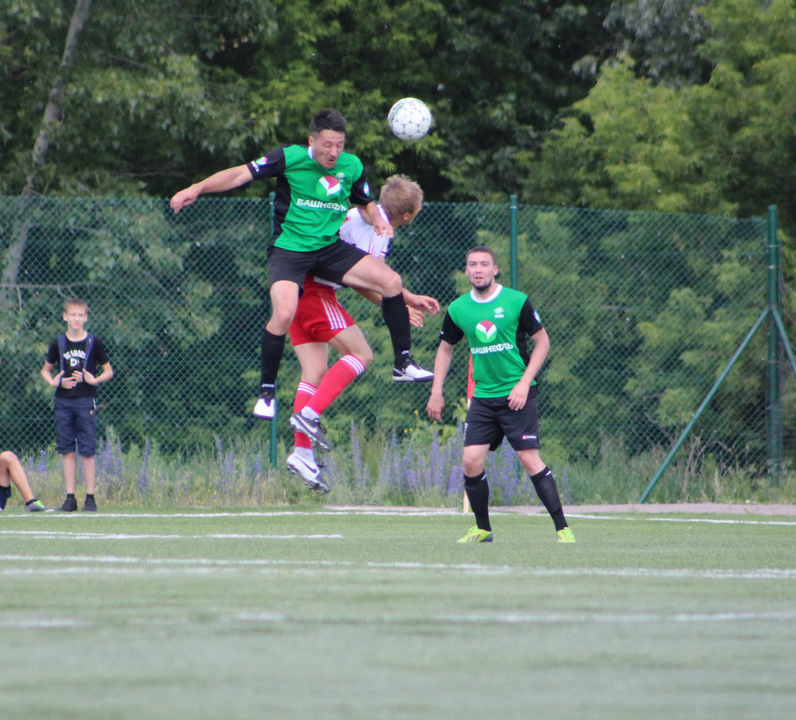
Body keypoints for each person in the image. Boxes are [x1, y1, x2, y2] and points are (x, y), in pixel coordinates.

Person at [169, 109, 438, 420]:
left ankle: (402, 363)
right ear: (312, 141)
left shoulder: (351, 166)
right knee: (284, 313)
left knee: (391, 281)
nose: (334, 152)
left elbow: (365, 202)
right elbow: (239, 174)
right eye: (327, 145)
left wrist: (377, 219)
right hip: (290, 250)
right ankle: (266, 392)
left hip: (328, 249)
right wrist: (196, 188)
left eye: (339, 145)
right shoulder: (289, 157)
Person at [285, 175, 440, 493]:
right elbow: (360, 281)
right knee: (361, 354)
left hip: (295, 286)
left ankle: (302, 453)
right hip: (314, 291)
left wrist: (406, 299)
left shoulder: (362, 218)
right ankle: (310, 415)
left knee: (313, 372)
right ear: (408, 214)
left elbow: (369, 279)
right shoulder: (373, 229)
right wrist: (397, 304)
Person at [425, 247, 575, 544]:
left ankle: (563, 529)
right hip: (483, 397)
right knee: (471, 460)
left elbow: (543, 343)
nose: (478, 269)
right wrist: (436, 391)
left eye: (484, 264)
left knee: (529, 459)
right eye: (472, 265)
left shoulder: (516, 301)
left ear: (495, 269)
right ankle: (483, 529)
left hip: (518, 394)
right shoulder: (458, 309)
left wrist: (524, 384)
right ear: (466, 271)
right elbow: (445, 348)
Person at [40, 297, 114, 512]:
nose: (76, 319)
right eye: (72, 315)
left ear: (86, 318)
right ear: (65, 317)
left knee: (87, 450)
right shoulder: (58, 343)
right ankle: (70, 498)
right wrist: (55, 382)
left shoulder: (93, 342)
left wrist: (94, 380)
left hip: (85, 400)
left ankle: (90, 498)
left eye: (80, 315)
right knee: (67, 450)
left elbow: (108, 371)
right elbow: (46, 371)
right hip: (63, 401)